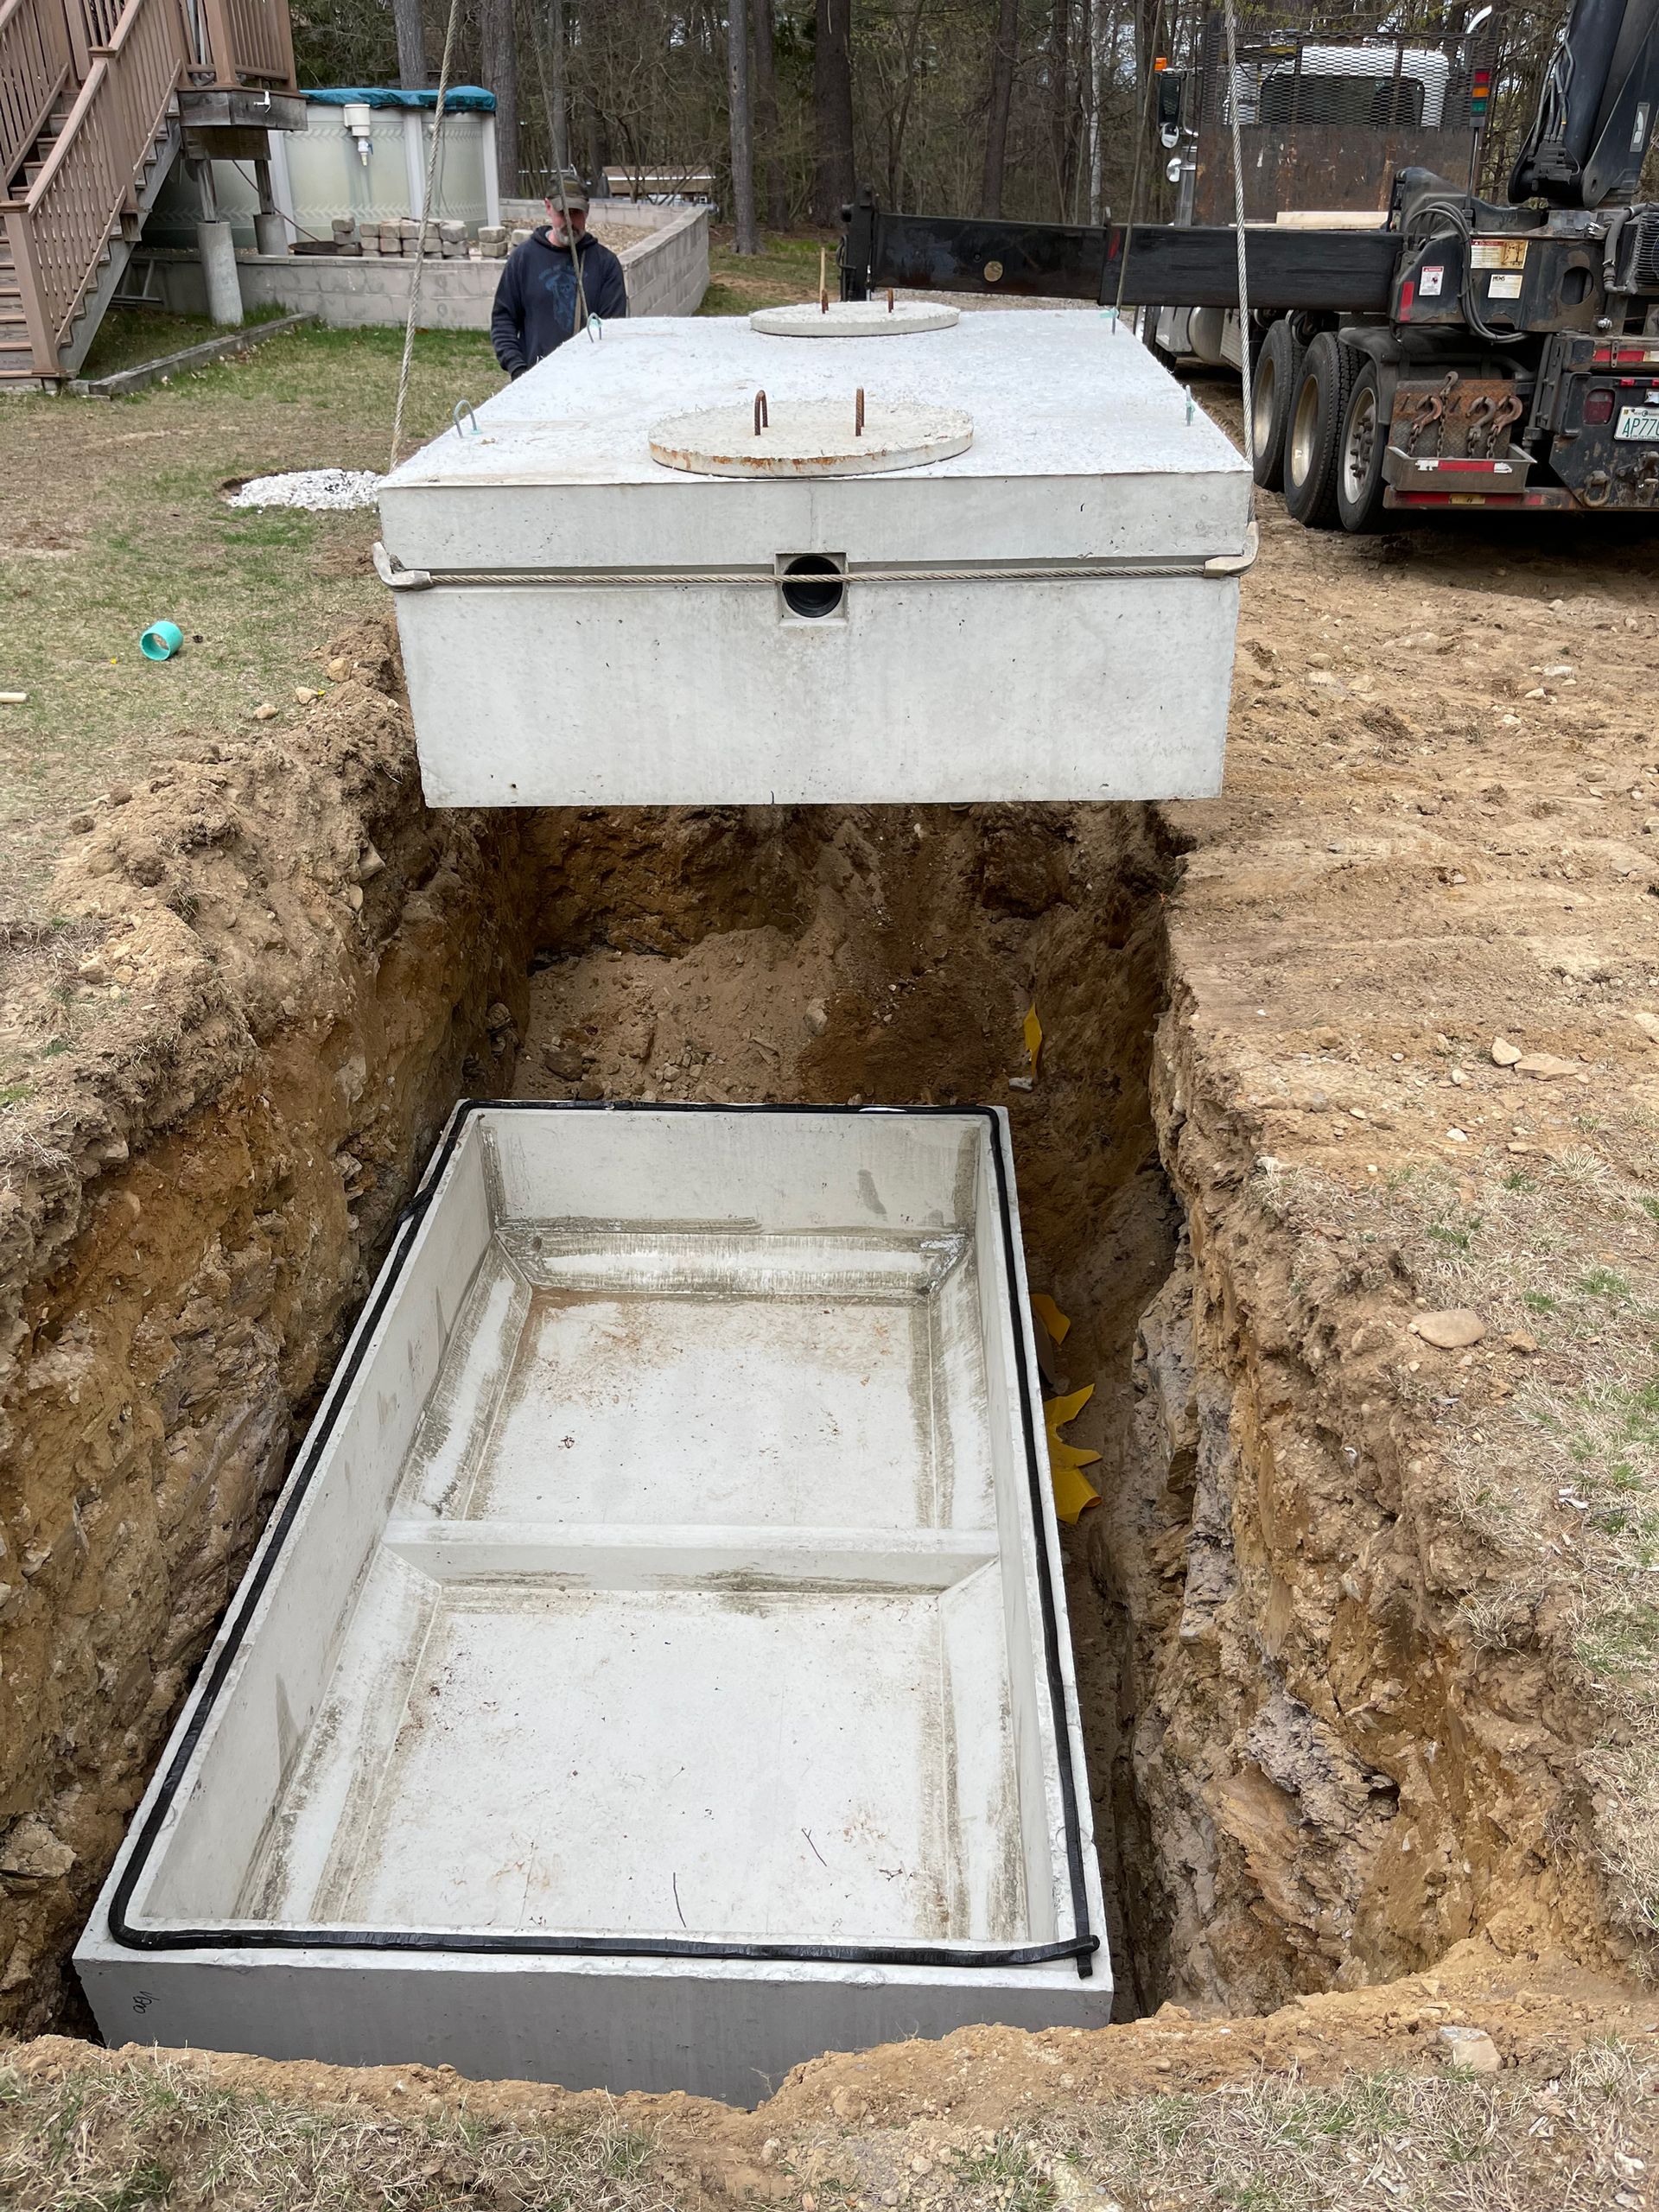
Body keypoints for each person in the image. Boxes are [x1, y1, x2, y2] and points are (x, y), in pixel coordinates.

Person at [490, 190, 627, 379]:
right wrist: (518, 369)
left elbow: (613, 330)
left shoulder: (606, 265)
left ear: (587, 212)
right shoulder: (523, 259)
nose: (570, 222)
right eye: (563, 213)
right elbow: (503, 320)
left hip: (590, 382)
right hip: (534, 381)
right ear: (548, 207)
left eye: (576, 213)